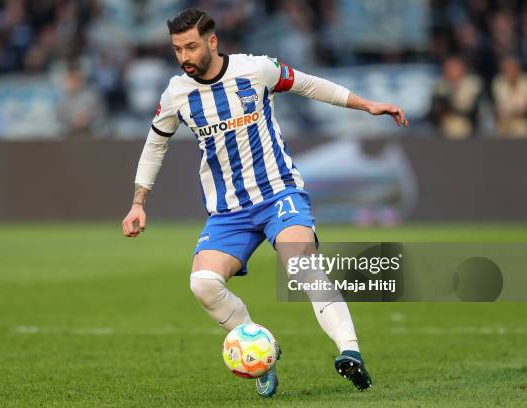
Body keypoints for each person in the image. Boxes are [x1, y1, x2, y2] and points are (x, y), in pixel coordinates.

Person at [121, 8, 408, 398]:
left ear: (212, 41)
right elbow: (156, 143)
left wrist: (367, 105)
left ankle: (350, 352)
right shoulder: (176, 94)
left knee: (301, 263)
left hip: (278, 193)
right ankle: (260, 352)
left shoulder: (256, 69)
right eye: (177, 49)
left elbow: (308, 85)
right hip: (228, 211)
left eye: (191, 47)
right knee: (203, 284)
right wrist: (139, 202)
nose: (184, 57)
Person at [429, 56, 483, 139]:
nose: (450, 71)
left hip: (468, 132)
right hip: (443, 132)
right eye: (448, 68)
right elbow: (434, 111)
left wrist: (450, 104)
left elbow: (471, 110)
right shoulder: (440, 85)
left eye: (454, 68)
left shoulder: (473, 83)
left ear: (462, 68)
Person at [492, 56, 527, 138]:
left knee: (521, 129)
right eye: (507, 69)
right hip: (504, 121)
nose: (510, 72)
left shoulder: (525, 81)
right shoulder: (498, 82)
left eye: (512, 68)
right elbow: (499, 105)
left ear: (518, 69)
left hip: (523, 121)